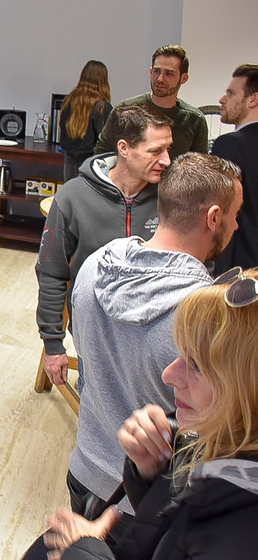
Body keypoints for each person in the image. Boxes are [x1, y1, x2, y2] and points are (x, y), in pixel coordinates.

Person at [46, 268, 258, 560]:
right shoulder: (227, 452)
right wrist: (153, 472)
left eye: (196, 365)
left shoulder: (240, 545)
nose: (169, 375)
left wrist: (83, 553)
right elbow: (183, 543)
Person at [67, 153, 243, 516]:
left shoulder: (95, 265)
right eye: (236, 214)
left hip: (84, 468)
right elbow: (214, 426)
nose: (238, 225)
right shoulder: (207, 316)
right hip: (146, 500)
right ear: (213, 217)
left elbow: (85, 361)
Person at [37, 105, 172, 387]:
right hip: (95, 336)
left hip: (156, 338)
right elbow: (51, 273)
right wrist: (53, 344)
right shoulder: (73, 197)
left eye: (168, 149)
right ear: (124, 148)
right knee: (97, 407)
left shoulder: (172, 197)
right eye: (155, 151)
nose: (167, 160)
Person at [95, 45, 207, 161]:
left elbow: (199, 165)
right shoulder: (126, 110)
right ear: (150, 72)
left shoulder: (194, 119)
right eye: (156, 71)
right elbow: (101, 155)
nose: (160, 79)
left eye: (169, 74)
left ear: (183, 78)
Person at [212, 64, 258, 274]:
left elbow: (221, 214)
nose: (222, 99)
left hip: (242, 270)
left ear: (253, 99)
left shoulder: (230, 144)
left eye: (231, 93)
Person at [58, 60, 113, 180]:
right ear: (103, 80)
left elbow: (62, 130)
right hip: (92, 165)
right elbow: (107, 141)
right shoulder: (102, 106)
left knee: (71, 190)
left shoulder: (68, 101)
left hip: (69, 161)